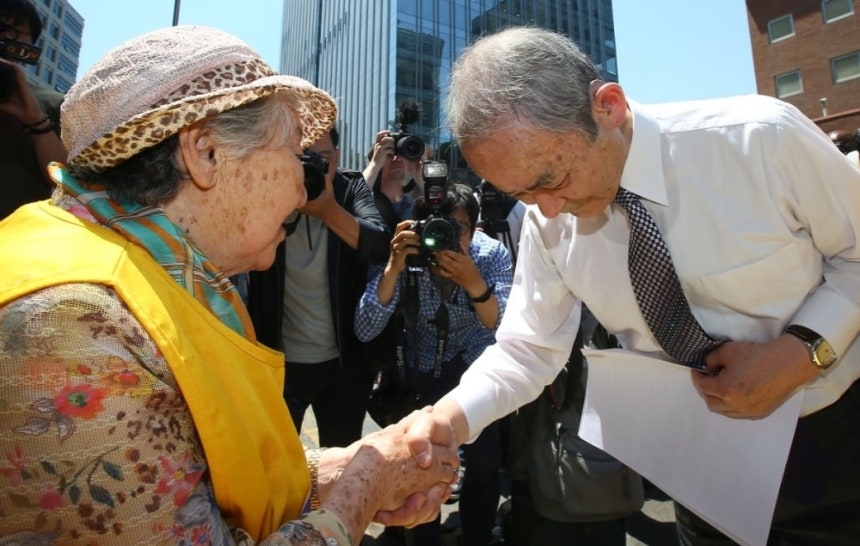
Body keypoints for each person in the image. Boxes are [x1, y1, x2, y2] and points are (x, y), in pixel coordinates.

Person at [0, 25, 459, 545]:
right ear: (205, 154)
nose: (303, 185)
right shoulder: (67, 324)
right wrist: (365, 488)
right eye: (294, 155)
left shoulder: (170, 277)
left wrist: (331, 471)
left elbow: (192, 472)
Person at [406, 26, 860, 545]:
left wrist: (802, 352)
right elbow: (529, 348)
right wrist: (448, 419)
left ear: (610, 107)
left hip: (831, 440)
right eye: (520, 194)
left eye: (551, 180)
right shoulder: (545, 218)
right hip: (697, 465)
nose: (547, 210)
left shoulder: (758, 140)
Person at [355, 183, 514, 546]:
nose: (442, 240)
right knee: (419, 468)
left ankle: (476, 536)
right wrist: (394, 267)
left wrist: (474, 282)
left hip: (477, 369)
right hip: (422, 369)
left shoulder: (490, 255)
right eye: (435, 227)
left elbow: (500, 324)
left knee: (485, 466)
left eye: (456, 230)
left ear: (474, 231)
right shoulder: (409, 253)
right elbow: (365, 328)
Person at [246, 125, 390, 448]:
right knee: (275, 464)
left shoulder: (350, 188)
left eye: (322, 157)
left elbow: (380, 244)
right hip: (279, 364)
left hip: (344, 367)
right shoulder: (270, 190)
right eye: (301, 157)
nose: (311, 166)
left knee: (341, 465)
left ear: (336, 157)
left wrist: (328, 210)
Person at [0, 0, 67, 220]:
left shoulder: (51, 103)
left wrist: (36, 121)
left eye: (16, 32)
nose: (6, 38)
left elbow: (68, 182)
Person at [363, 129, 422, 229]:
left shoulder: (416, 206)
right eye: (390, 154)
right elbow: (352, 200)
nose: (397, 159)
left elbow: (445, 217)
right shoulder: (366, 203)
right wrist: (374, 164)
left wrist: (423, 180)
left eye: (402, 154)